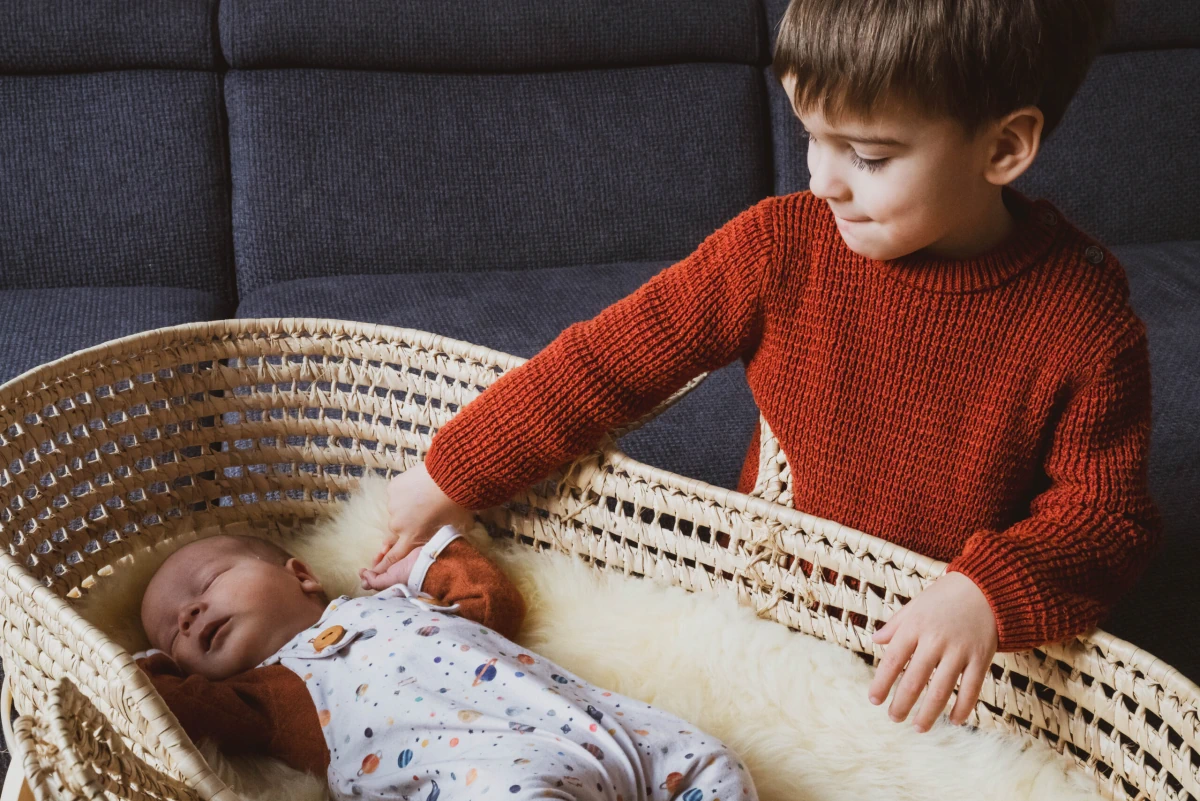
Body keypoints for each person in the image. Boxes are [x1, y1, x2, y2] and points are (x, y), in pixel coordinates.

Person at [366, 0, 1161, 736]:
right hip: (773, 606)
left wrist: (985, 592)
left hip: (938, 659)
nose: (822, 180)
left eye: (869, 155)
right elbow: (603, 364)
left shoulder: (1086, 321)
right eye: (811, 135)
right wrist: (452, 472)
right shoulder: (780, 245)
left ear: (1004, 147)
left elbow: (1105, 517)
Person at [136, 529, 755, 801]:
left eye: (208, 584)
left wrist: (422, 565)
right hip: (484, 782)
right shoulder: (265, 694)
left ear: (300, 575)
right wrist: (152, 665)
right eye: (175, 629)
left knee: (713, 763)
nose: (190, 614)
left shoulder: (393, 602)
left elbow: (494, 600)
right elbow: (166, 707)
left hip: (601, 731)